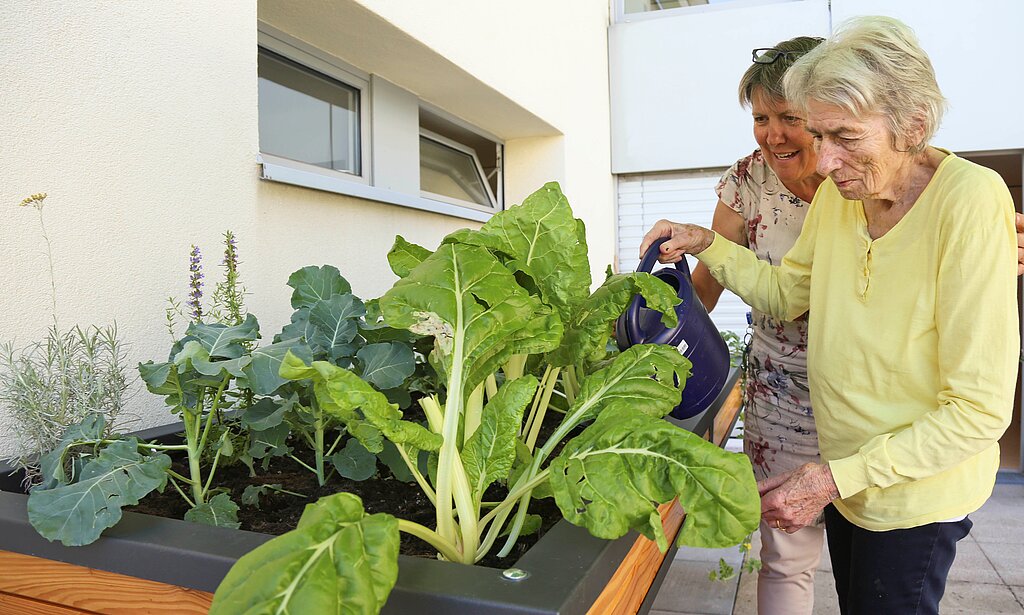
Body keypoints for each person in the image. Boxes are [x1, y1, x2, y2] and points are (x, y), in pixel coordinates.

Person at [641, 16, 1019, 615]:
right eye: (821, 135)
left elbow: (978, 410)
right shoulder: (845, 198)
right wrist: (704, 242)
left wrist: (829, 478)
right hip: (848, 479)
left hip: (907, 495)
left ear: (912, 126)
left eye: (844, 136)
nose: (824, 160)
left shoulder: (970, 200)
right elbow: (787, 292)